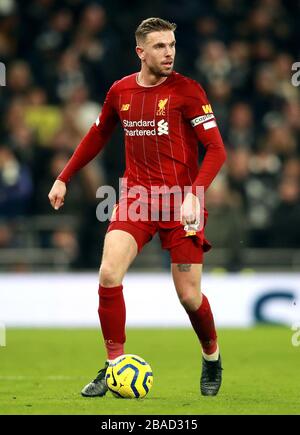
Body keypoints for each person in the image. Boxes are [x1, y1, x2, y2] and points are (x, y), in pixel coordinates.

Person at [48, 17, 226, 397]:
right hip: (137, 200)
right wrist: (64, 175)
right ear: (140, 51)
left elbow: (216, 149)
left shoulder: (188, 92)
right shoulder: (120, 91)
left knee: (189, 296)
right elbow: (97, 134)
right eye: (160, 46)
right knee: (109, 274)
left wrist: (195, 192)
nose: (169, 53)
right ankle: (114, 366)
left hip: (181, 203)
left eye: (173, 45)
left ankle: (211, 356)